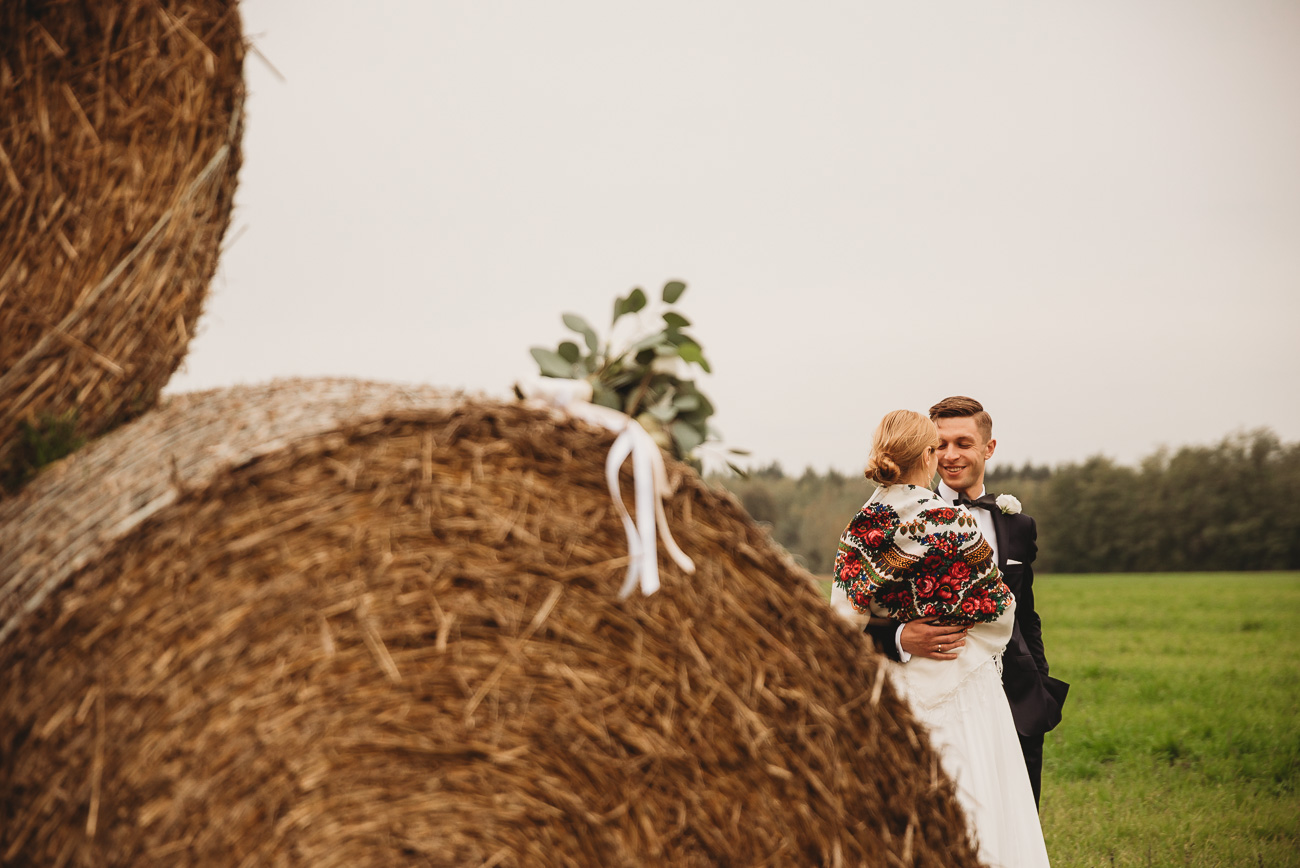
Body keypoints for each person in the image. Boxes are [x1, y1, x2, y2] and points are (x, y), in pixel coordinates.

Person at [831, 409, 1050, 866]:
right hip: (964, 686)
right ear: (928, 456)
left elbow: (839, 621)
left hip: (893, 692)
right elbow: (1000, 612)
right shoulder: (950, 521)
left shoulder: (863, 525)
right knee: (979, 803)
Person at [862, 396, 1067, 806]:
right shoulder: (897, 519)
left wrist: (1038, 683)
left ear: (988, 449)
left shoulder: (1018, 525)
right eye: (941, 445)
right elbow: (855, 616)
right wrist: (901, 638)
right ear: (926, 451)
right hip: (935, 700)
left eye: (963, 443)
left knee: (1013, 826)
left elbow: (1026, 613)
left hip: (1015, 703)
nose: (950, 456)